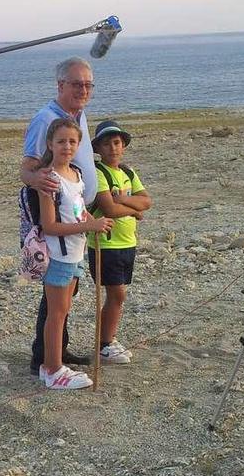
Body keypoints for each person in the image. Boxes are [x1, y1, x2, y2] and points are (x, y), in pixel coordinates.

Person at [21, 57, 98, 376]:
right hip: (58, 222)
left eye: (88, 85)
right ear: (60, 85)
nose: (83, 90)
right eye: (76, 84)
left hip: (77, 214)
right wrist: (38, 180)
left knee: (67, 291)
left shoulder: (76, 116)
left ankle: (58, 350)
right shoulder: (46, 119)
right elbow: (28, 168)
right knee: (56, 291)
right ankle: (46, 359)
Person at [36, 118, 112, 389]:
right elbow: (50, 225)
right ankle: (53, 370)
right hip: (59, 255)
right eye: (61, 142)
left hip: (76, 253)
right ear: (50, 144)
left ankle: (50, 366)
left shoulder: (76, 176)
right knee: (56, 314)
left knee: (63, 310)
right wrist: (89, 225)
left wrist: (92, 221)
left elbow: (78, 210)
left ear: (79, 145)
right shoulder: (50, 180)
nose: (67, 147)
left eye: (72, 142)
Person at [86, 120, 152, 364]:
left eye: (117, 142)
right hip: (106, 245)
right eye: (107, 143)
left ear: (123, 145)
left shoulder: (127, 172)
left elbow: (147, 201)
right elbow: (109, 208)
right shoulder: (99, 173)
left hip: (127, 243)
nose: (113, 148)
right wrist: (133, 210)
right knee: (118, 294)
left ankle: (108, 340)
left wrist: (124, 199)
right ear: (98, 148)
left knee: (118, 295)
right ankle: (104, 344)